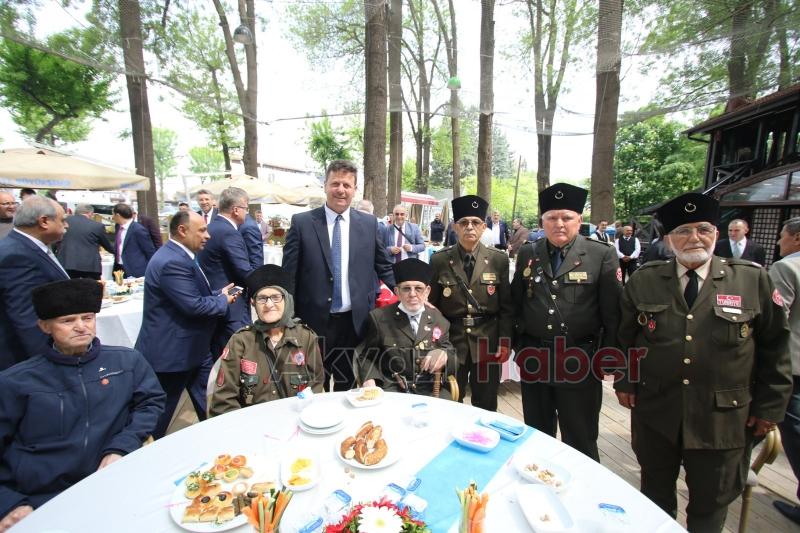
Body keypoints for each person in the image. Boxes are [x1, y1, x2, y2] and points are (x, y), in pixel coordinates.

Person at [614, 192, 791, 532]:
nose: (694, 238)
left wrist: (769, 408)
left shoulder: (751, 279)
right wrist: (625, 381)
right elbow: (625, 341)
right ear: (668, 239)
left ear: (716, 233)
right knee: (654, 497)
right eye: (683, 230)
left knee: (710, 507)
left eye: (704, 229)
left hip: (722, 419)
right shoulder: (645, 280)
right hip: (657, 413)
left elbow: (775, 349)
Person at [0, 278, 165, 530]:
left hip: (115, 480)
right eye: (67, 321)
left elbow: (150, 402)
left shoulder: (126, 362)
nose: (81, 327)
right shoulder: (16, 383)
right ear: (45, 326)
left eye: (87, 318)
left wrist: (122, 446)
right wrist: (9, 503)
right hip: (43, 497)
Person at [511, 183, 621, 460]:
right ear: (542, 222)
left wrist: (609, 357)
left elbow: (613, 312)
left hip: (579, 361)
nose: (559, 224)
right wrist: (518, 345)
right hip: (535, 359)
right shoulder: (529, 252)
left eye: (567, 217)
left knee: (580, 439)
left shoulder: (601, 254)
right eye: (552, 218)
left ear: (579, 220)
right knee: (536, 437)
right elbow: (515, 303)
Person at [282, 159, 395, 391]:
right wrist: (287, 316)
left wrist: (412, 294)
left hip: (354, 323)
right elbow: (288, 274)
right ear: (325, 185)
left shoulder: (370, 224)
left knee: (348, 384)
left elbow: (385, 266)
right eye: (335, 183)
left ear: (354, 189)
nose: (340, 190)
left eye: (346, 185)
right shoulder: (302, 223)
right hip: (312, 322)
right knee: (312, 384)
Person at [135, 211, 238, 438]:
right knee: (159, 416)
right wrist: (223, 300)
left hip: (192, 349)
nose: (208, 235)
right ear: (182, 231)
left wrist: (216, 294)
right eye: (201, 230)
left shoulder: (178, 256)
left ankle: (220, 440)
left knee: (209, 400)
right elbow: (193, 306)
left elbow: (190, 296)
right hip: (173, 354)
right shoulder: (173, 261)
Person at [428, 195, 513, 411]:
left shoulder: (498, 260)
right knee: (450, 401)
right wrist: (436, 343)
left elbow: (506, 307)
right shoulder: (440, 260)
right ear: (455, 227)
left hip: (487, 342)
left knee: (485, 403)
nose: (469, 227)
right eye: (464, 223)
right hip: (452, 341)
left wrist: (504, 342)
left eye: (475, 222)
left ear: (484, 227)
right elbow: (432, 307)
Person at [210, 265, 323, 416]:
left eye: (276, 297)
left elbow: (315, 388)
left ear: (287, 300)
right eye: (262, 298)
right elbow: (224, 402)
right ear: (253, 303)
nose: (269, 304)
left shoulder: (306, 338)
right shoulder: (240, 342)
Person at [359, 258, 456, 398]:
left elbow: (453, 358)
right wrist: (369, 380)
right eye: (406, 288)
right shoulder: (379, 318)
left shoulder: (439, 320)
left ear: (427, 291)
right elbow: (366, 357)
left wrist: (444, 355)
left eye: (418, 288)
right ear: (397, 292)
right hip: (393, 391)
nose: (412, 294)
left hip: (429, 392)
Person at [0, 196, 69, 370]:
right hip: (24, 359)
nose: (66, 225)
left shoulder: (23, 247)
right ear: (44, 221)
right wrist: (48, 363)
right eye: (62, 220)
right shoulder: (17, 256)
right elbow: (27, 317)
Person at [768, 217, 800, 525]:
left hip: (791, 366)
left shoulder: (786, 268)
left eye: (782, 237)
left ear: (797, 238)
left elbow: (776, 325)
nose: (779, 242)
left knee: (794, 432)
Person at [198, 187, 254, 355]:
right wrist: (266, 287)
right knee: (237, 358)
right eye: (246, 208)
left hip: (215, 301)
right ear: (236, 210)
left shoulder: (211, 227)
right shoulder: (229, 232)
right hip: (232, 308)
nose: (247, 212)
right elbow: (244, 270)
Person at [56, 204, 114, 280]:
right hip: (89, 266)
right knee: (91, 289)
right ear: (90, 213)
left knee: (68, 289)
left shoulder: (64, 222)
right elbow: (107, 246)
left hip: (66, 262)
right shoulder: (97, 226)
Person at [112, 203, 155, 278]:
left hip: (135, 270)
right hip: (119, 268)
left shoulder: (138, 229)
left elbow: (149, 251)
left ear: (118, 215)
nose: (112, 217)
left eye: (113, 214)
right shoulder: (118, 227)